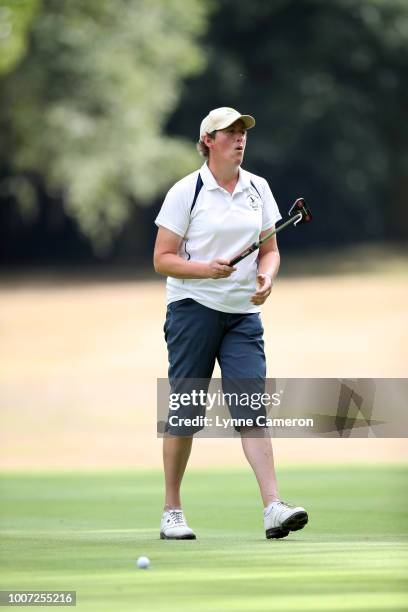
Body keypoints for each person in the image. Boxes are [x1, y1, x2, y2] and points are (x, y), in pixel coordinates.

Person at [153, 107, 308, 540]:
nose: (239, 139)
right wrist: (206, 269)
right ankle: (172, 510)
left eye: (243, 133)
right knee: (185, 412)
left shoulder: (259, 188)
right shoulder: (187, 192)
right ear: (208, 140)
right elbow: (162, 258)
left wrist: (267, 277)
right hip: (192, 309)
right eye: (230, 133)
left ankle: (273, 507)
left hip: (243, 314)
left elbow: (270, 249)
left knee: (251, 408)